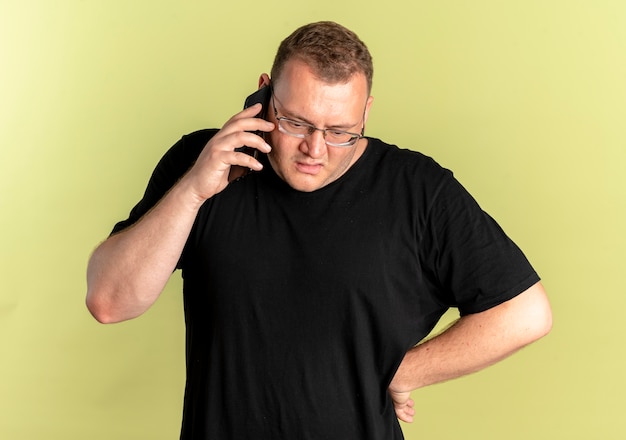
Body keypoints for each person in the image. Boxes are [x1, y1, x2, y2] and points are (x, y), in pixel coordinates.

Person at [86, 21, 552, 440]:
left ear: (366, 112)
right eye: (295, 122)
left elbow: (525, 312)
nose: (315, 149)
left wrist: (404, 371)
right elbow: (109, 301)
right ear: (264, 93)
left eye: (340, 130)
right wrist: (192, 190)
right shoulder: (204, 162)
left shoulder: (418, 191)